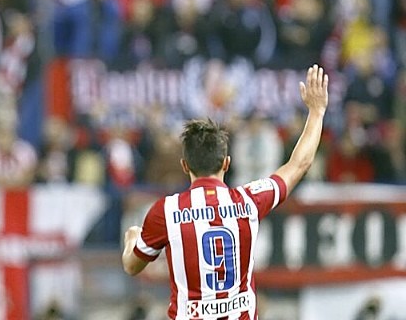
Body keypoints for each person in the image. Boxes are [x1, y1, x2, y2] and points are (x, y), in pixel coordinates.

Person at [121, 64, 329, 320]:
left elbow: (132, 265)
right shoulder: (249, 200)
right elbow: (299, 164)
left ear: (185, 165)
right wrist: (317, 112)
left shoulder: (167, 211)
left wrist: (132, 238)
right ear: (227, 163)